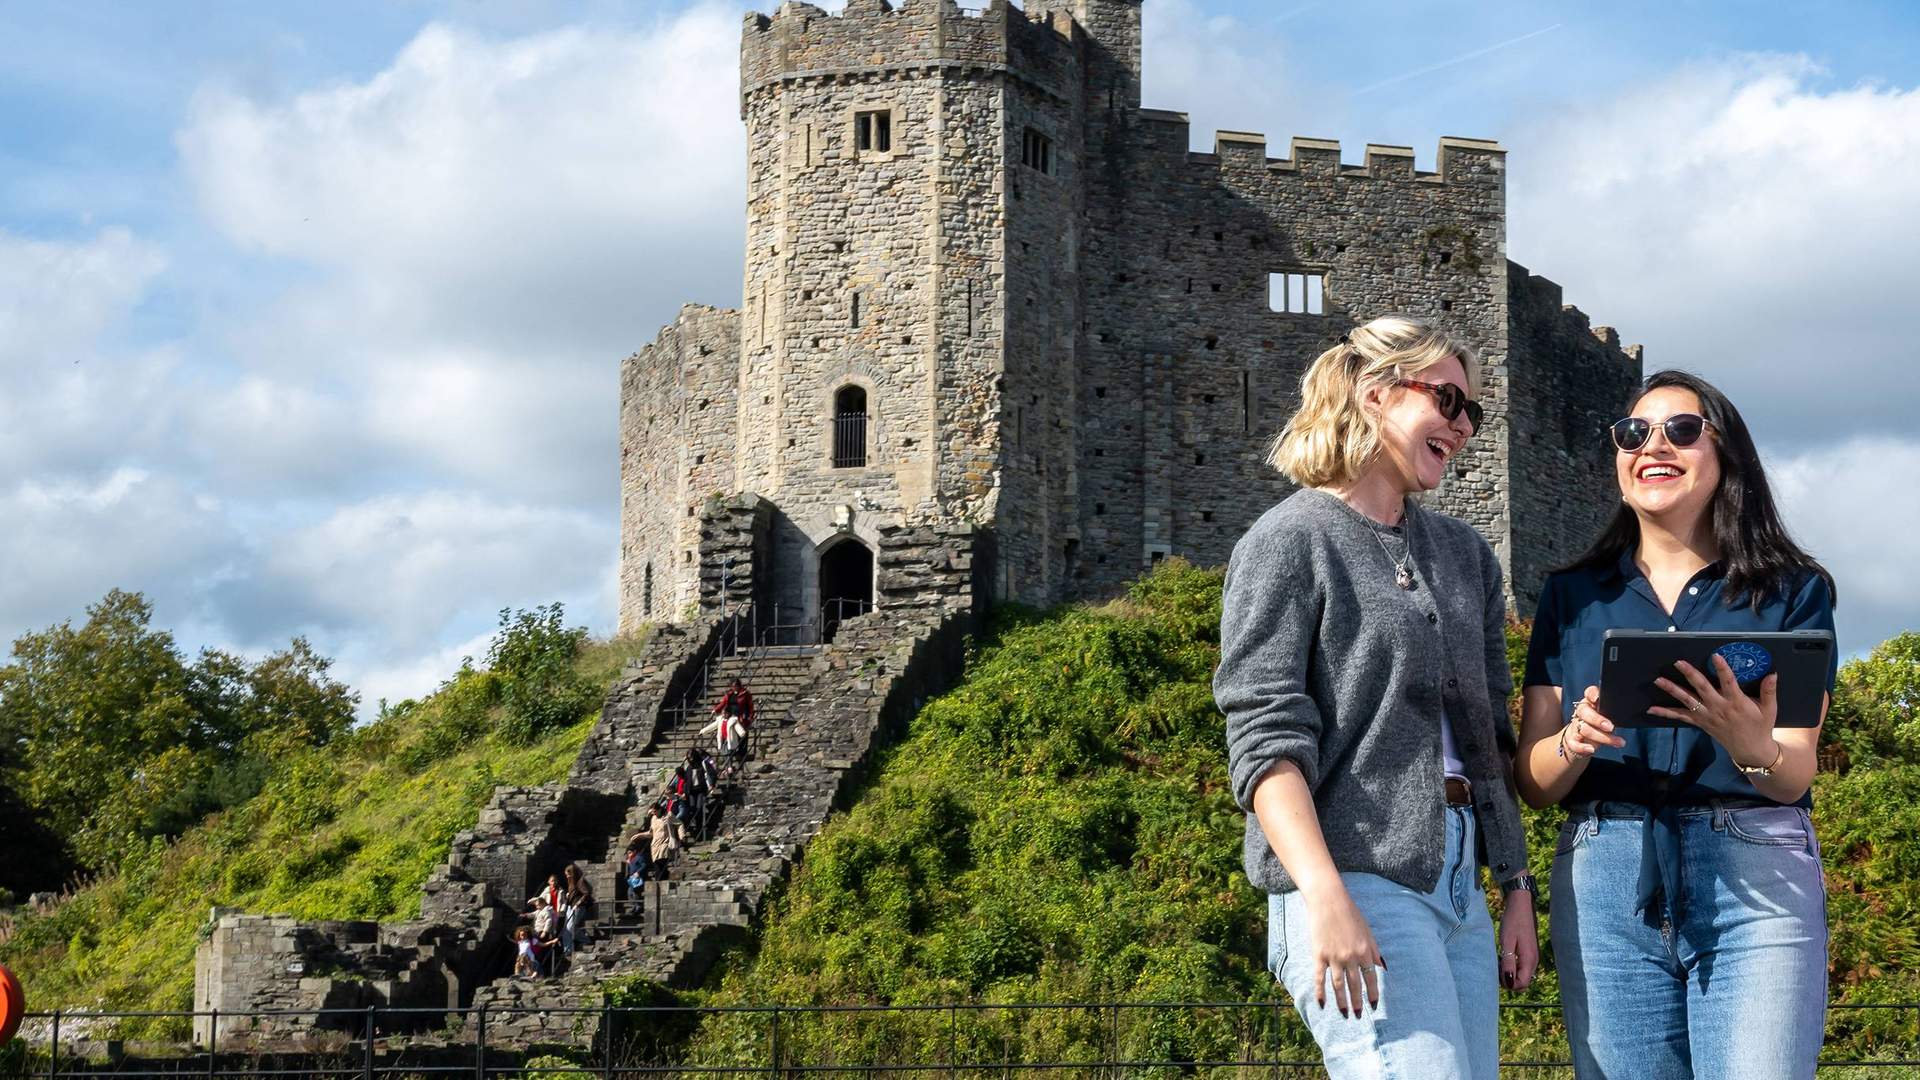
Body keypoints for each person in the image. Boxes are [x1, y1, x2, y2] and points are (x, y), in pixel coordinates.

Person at [1216, 315, 1538, 1080]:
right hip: (1353, 875)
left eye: (1474, 413)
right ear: (1375, 395)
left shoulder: (1466, 557)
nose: (1463, 428)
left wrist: (1514, 884)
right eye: (1449, 402)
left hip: (1458, 882)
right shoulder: (1289, 540)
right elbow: (1265, 742)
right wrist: (1322, 894)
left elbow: (1488, 734)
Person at [1514, 370, 1837, 1080]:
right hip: (1606, 871)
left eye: (1682, 430)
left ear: (1727, 458)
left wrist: (1746, 742)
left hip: (1757, 869)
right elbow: (1532, 783)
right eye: (1634, 433)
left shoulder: (1792, 591)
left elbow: (1793, 774)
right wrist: (1571, 742)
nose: (1653, 445)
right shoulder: (1571, 596)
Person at [561, 863, 593, 954]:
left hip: (578, 907)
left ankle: (586, 940)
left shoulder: (580, 881)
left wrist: (578, 904)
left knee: (571, 927)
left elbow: (586, 894)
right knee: (565, 930)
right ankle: (568, 950)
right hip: (570, 907)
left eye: (569, 874)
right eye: (566, 875)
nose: (567, 876)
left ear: (573, 873)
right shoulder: (571, 883)